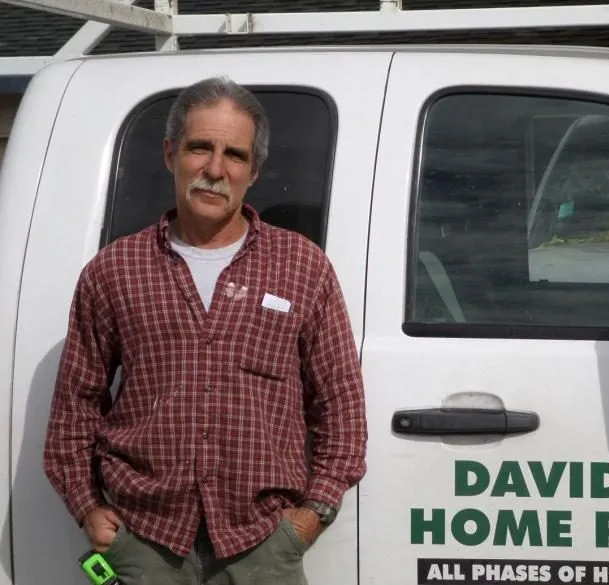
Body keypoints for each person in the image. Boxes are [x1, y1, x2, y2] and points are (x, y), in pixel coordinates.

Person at [42, 76, 368, 585]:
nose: (215, 170)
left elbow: (341, 405)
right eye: (200, 148)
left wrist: (309, 518)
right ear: (171, 153)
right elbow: (75, 406)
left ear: (253, 170)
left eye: (234, 155)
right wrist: (86, 506)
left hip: (262, 546)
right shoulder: (114, 271)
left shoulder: (304, 268)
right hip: (145, 543)